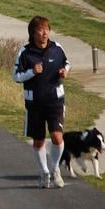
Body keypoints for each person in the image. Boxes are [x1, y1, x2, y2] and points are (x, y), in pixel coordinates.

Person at [12, 16, 70, 189]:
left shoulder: (57, 48)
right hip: (35, 104)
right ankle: (44, 172)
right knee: (38, 141)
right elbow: (16, 76)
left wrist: (64, 71)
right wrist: (32, 72)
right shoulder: (25, 52)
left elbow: (67, 63)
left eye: (47, 29)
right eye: (40, 29)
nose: (45, 33)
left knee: (57, 137)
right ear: (33, 32)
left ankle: (54, 169)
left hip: (55, 101)